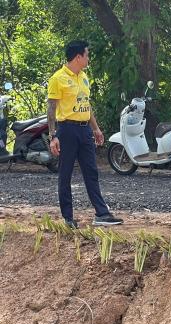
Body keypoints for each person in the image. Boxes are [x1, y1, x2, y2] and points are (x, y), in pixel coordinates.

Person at [47, 40, 123, 228]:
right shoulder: (58, 78)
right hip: (67, 129)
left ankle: (101, 214)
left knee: (91, 171)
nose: (88, 58)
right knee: (65, 174)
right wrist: (53, 135)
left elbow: (86, 105)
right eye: (87, 54)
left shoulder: (84, 77)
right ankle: (68, 218)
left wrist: (95, 128)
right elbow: (51, 106)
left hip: (84, 129)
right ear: (78, 56)